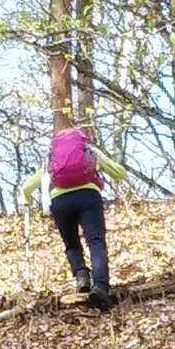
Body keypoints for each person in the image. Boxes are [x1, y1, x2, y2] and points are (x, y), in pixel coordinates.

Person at [21, 126, 128, 310]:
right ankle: (100, 286)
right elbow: (119, 173)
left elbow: (26, 187)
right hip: (89, 196)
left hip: (60, 201)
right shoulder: (89, 152)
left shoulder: (50, 159)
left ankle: (82, 277)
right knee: (95, 242)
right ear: (81, 141)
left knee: (71, 244)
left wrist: (27, 201)